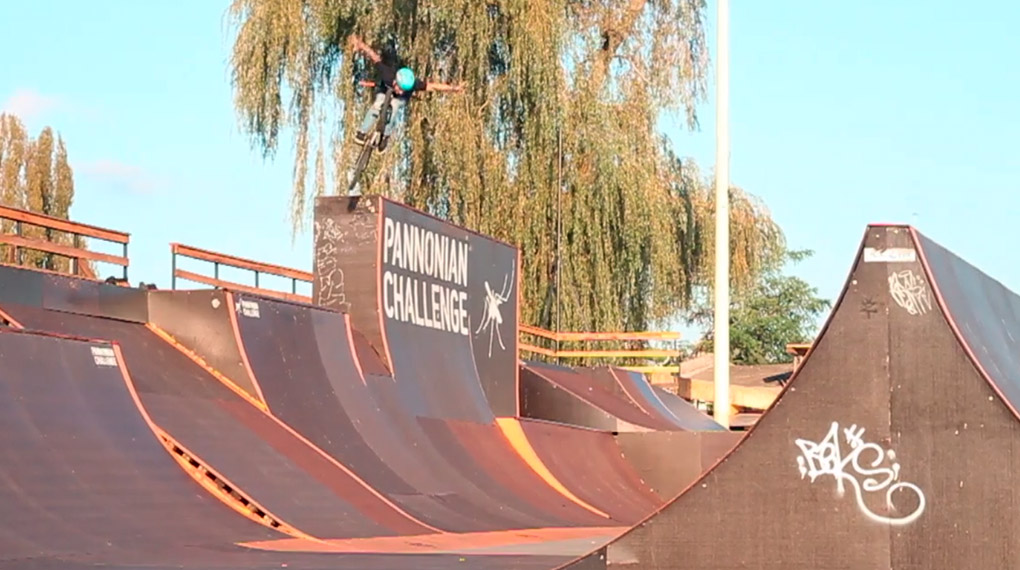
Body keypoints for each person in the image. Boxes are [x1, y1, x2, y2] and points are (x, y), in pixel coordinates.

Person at [348, 35, 463, 151]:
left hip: (400, 100)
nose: (401, 91)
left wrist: (453, 88)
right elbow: (373, 56)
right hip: (384, 91)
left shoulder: (414, 84)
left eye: (404, 90)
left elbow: (433, 86)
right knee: (378, 103)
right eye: (400, 88)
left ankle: (386, 136)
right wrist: (360, 44)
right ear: (395, 81)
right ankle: (361, 133)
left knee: (395, 106)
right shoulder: (387, 74)